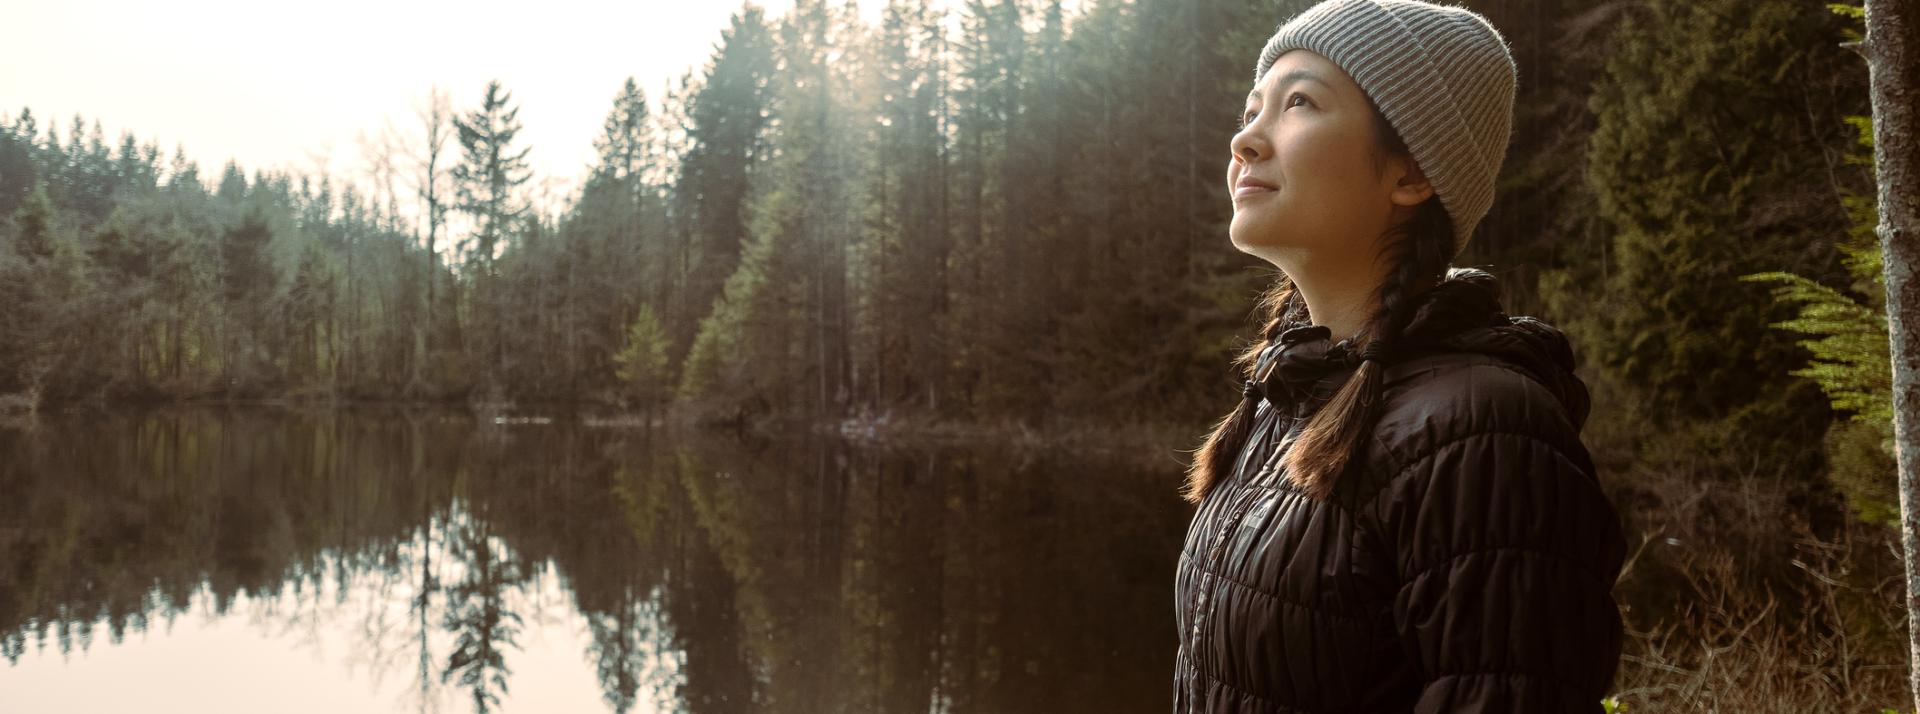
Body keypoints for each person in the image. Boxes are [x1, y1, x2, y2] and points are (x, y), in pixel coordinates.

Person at [1170, 1, 1629, 712]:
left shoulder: (1486, 434)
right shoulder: (1294, 399)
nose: (1246, 140)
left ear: (1414, 173)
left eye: (1298, 103)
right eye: (1251, 107)